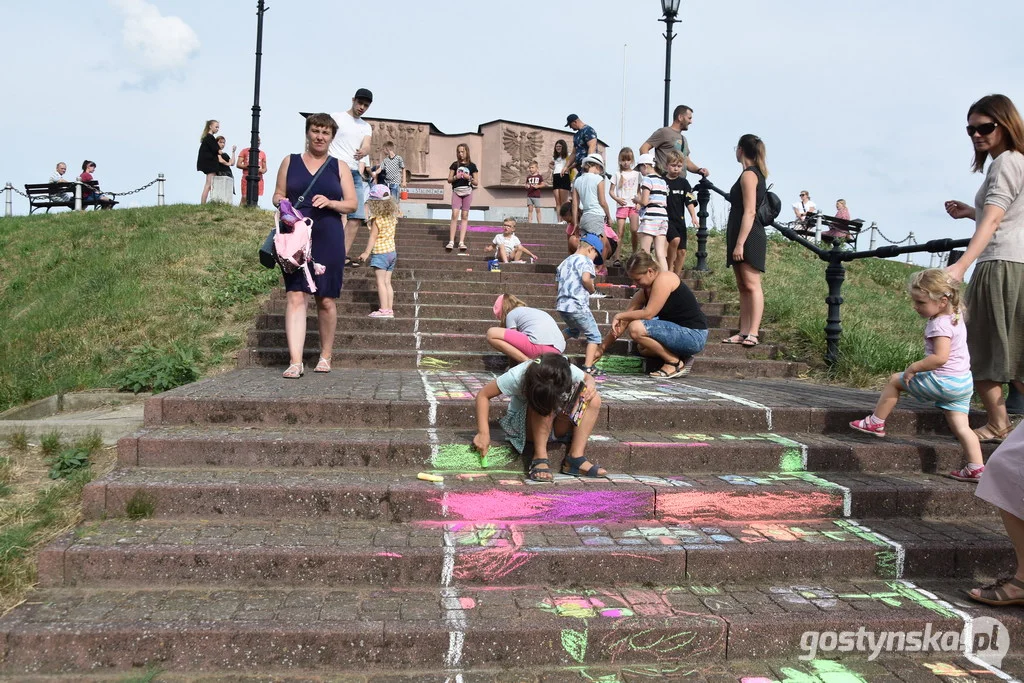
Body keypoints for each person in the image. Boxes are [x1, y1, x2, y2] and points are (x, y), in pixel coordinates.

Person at [849, 270, 982, 481]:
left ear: (942, 301)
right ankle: (975, 467)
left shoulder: (939, 324)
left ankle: (876, 421)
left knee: (895, 381)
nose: (915, 306)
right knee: (962, 427)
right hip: (963, 383)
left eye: (920, 302)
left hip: (943, 381)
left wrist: (914, 368)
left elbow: (940, 358)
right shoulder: (954, 314)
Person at [945, 94, 1024, 447]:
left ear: (1006, 125)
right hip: (1019, 263)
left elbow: (995, 220)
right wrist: (969, 212)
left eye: (985, 127)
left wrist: (961, 265)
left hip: (998, 265)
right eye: (971, 129)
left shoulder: (1005, 163)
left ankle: (998, 423)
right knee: (1017, 349)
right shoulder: (1019, 161)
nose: (977, 135)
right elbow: (1008, 217)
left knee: (979, 346)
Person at [272, 113, 358, 378]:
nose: (320, 137)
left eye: (325, 133)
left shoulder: (339, 166)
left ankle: (325, 354)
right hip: (296, 236)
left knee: (325, 299)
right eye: (316, 131)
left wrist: (331, 203)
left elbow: (352, 204)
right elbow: (277, 194)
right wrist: (282, 204)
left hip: (328, 234)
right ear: (308, 133)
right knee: (296, 296)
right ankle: (295, 361)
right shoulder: (290, 161)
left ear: (332, 137)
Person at [471, 353, 606, 482]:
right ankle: (540, 457)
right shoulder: (518, 375)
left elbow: (588, 377)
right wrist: (483, 433)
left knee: (593, 399)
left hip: (556, 422)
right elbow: (483, 395)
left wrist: (590, 385)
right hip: (525, 427)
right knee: (543, 403)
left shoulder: (563, 368)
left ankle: (575, 458)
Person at [595, 250, 707, 378]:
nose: (635, 284)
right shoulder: (643, 292)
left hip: (693, 335)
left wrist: (619, 315)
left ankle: (674, 363)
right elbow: (623, 323)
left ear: (650, 271)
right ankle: (682, 356)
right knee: (643, 348)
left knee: (636, 328)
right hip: (678, 334)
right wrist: (601, 349)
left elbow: (648, 313)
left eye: (637, 279)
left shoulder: (664, 278)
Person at [722, 134, 769, 348]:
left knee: (752, 284)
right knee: (742, 285)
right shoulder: (748, 173)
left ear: (740, 149)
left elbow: (750, 211)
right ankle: (743, 331)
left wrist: (740, 243)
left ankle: (753, 332)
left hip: (749, 235)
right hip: (740, 233)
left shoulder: (749, 175)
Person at [329, 88, 374, 267]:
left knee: (357, 215)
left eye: (366, 106)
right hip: (334, 168)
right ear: (353, 100)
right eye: (360, 103)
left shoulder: (366, 126)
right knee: (330, 212)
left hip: (354, 172)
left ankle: (340, 255)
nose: (362, 107)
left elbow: (367, 144)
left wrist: (365, 150)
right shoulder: (337, 117)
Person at [556, 233, 604, 375]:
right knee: (594, 335)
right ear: (591, 249)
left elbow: (557, 284)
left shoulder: (564, 262)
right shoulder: (586, 261)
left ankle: (551, 344)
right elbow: (585, 279)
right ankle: (588, 367)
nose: (594, 260)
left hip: (562, 305)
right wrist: (592, 289)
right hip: (577, 305)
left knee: (573, 330)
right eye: (596, 256)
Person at [357, 185, 400, 319]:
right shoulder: (392, 217)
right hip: (392, 253)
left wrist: (366, 253)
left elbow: (373, 237)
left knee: (380, 282)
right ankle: (389, 309)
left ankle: (383, 309)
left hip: (381, 253)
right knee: (387, 282)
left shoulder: (377, 219)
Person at [487, 294, 566, 363]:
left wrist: (513, 368)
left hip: (538, 347)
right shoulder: (533, 312)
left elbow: (513, 344)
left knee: (491, 333)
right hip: (557, 352)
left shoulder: (511, 314)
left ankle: (527, 363)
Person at [639, 105, 710, 178]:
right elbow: (644, 148)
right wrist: (651, 171)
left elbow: (687, 162)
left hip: (680, 183)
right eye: (689, 118)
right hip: (664, 182)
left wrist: (699, 170)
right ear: (680, 117)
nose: (691, 122)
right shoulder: (664, 132)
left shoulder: (684, 139)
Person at [664, 149, 699, 275]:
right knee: (675, 240)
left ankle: (676, 277)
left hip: (680, 219)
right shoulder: (663, 181)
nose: (676, 169)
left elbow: (689, 201)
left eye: (679, 166)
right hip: (666, 219)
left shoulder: (684, 183)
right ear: (666, 166)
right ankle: (669, 269)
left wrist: (693, 216)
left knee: (682, 251)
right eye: (673, 165)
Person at [635, 152, 669, 272]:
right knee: (660, 253)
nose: (640, 171)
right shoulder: (662, 181)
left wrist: (636, 200)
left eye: (640, 168)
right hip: (663, 218)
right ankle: (666, 279)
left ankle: (645, 278)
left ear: (645, 166)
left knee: (645, 252)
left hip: (650, 218)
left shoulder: (647, 179)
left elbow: (644, 201)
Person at [572, 153, 611, 245]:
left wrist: (575, 223)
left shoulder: (577, 180)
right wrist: (609, 217)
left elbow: (574, 204)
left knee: (585, 245)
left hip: (584, 217)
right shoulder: (598, 179)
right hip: (596, 216)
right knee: (596, 247)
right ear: (597, 166)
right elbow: (602, 202)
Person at [446, 143, 479, 252]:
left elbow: (476, 182)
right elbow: (449, 179)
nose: (460, 154)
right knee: (455, 214)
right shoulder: (455, 165)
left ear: (467, 152)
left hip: (467, 192)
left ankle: (461, 241)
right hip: (456, 191)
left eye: (462, 152)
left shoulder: (472, 166)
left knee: (464, 215)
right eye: (459, 152)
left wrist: (468, 177)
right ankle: (451, 241)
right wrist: (456, 177)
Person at [610, 147, 641, 260]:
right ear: (620, 160)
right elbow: (611, 191)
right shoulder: (617, 174)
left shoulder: (637, 174)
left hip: (633, 205)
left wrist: (639, 202)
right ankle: (617, 257)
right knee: (620, 232)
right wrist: (617, 199)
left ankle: (634, 253)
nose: (626, 162)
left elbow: (639, 191)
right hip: (622, 205)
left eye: (628, 160)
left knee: (634, 230)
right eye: (623, 160)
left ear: (632, 160)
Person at [564, 114, 598, 179]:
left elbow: (592, 147)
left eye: (570, 125)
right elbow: (573, 153)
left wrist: (588, 163)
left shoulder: (588, 130)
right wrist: (566, 167)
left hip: (589, 168)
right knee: (576, 187)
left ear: (575, 122)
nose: (570, 127)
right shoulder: (576, 135)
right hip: (580, 168)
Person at [237, 136, 268, 206]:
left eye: (259, 141)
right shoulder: (244, 151)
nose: (258, 142)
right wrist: (249, 167)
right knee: (244, 197)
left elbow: (265, 168)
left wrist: (261, 170)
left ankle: (252, 210)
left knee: (255, 197)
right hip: (246, 177)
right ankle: (240, 210)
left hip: (258, 177)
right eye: (256, 141)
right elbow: (238, 164)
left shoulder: (262, 154)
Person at [196, 119, 221, 204]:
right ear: (210, 126)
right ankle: (203, 203)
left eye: (218, 127)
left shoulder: (207, 138)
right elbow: (217, 150)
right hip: (210, 164)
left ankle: (206, 202)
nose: (217, 129)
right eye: (216, 127)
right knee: (208, 185)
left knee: (209, 184)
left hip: (209, 164)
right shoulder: (210, 138)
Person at [212, 136, 237, 202]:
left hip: (228, 173)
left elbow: (232, 163)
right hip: (221, 173)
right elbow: (220, 160)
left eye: (224, 143)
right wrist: (227, 163)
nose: (222, 144)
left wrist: (233, 152)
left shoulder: (224, 154)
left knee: (228, 191)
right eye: (220, 142)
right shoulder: (215, 152)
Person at [550, 139, 571, 211]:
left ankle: (564, 220)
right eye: (556, 146)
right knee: (557, 202)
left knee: (563, 202)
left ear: (563, 147)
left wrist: (567, 168)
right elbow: (550, 164)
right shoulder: (554, 157)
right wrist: (553, 167)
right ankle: (559, 221)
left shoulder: (568, 155)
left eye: (559, 146)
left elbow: (574, 163)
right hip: (556, 177)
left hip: (564, 176)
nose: (558, 148)